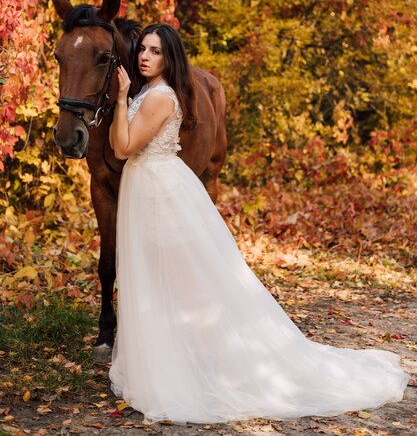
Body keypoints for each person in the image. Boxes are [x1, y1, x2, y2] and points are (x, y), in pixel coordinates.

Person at [108, 24, 409, 425]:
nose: (145, 56)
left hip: (158, 192)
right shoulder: (151, 93)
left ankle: (188, 367)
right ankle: (172, 360)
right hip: (150, 186)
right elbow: (121, 146)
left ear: (170, 58)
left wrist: (120, 99)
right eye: (143, 49)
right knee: (160, 277)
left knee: (169, 277)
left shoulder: (157, 97)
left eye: (156, 51)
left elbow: (123, 147)